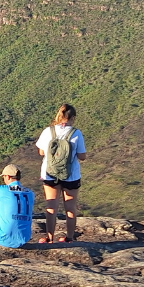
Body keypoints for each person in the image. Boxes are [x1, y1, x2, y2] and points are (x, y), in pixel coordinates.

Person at [35, 103, 87, 243]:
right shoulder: (76, 133)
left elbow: (41, 152)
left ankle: (49, 238)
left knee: (51, 207)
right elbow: (82, 156)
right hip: (71, 175)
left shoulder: (48, 131)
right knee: (70, 208)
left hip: (50, 174)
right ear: (73, 117)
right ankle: (69, 238)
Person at [0, 164, 35, 248]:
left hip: (3, 238)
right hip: (24, 238)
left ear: (8, 177)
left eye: (3, 177)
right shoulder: (30, 193)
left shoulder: (1, 190)